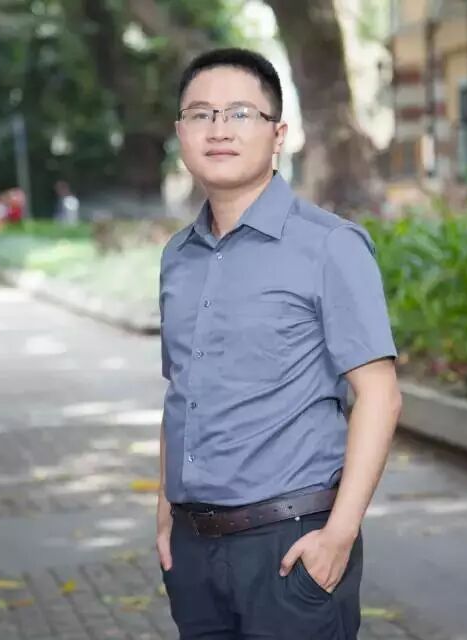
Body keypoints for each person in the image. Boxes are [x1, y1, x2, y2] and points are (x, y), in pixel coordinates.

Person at [157, 48, 402, 640]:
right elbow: (181, 391)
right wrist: (164, 515)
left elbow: (380, 395)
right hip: (192, 551)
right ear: (181, 132)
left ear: (278, 134)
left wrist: (338, 535)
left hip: (291, 546)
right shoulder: (177, 257)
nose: (218, 129)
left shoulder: (330, 246)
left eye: (240, 113)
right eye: (200, 114)